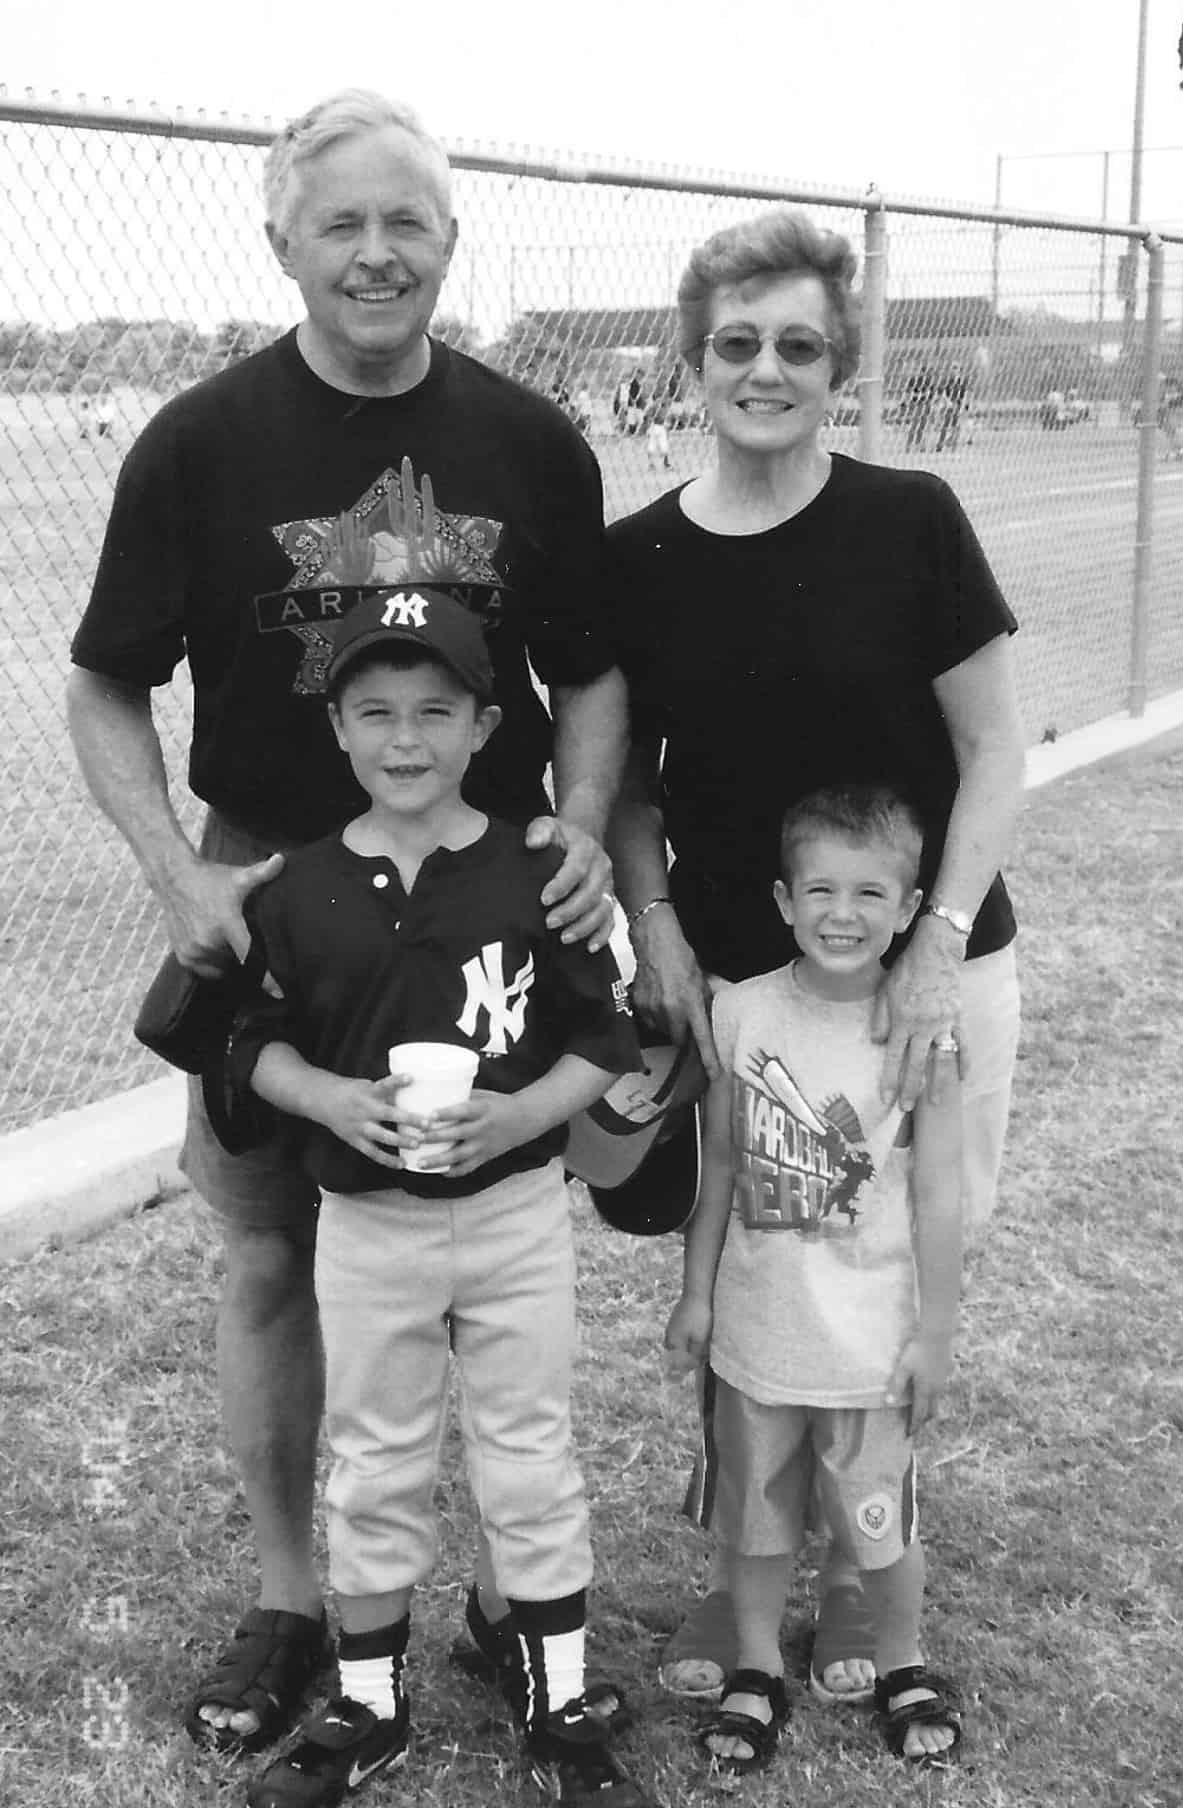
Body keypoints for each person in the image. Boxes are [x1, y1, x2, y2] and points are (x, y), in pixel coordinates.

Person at [66, 87, 627, 1756]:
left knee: (482, 1255)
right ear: (283, 242)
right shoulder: (199, 442)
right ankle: (297, 1598)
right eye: (343, 223)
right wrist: (178, 870)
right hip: (271, 890)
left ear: (448, 238)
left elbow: (590, 671)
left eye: (407, 222)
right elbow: (106, 681)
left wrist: (580, 832)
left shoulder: (535, 443)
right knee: (267, 1255)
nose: (376, 252)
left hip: (479, 901)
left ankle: (509, 1596)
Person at [606, 205, 1024, 1704]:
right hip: (742, 985)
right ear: (691, 360)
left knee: (886, 1261)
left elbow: (992, 753)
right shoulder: (639, 554)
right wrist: (653, 924)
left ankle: (863, 1584)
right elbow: (629, 786)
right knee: (756, 1271)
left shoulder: (910, 520)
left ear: (839, 364)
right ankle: (744, 1589)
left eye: (797, 344)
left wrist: (936, 943)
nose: (765, 369)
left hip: (922, 975)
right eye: (736, 344)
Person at [229, 590, 653, 1808]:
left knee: (528, 1449)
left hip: (516, 1212)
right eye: (375, 712)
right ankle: (368, 1701)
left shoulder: (535, 870)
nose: (404, 738)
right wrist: (326, 1097)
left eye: (434, 711)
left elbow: (603, 1036)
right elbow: (251, 1041)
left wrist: (521, 1115)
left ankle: (559, 1694)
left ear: (482, 726)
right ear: (339, 731)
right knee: (374, 1457)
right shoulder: (298, 884)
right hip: (368, 1221)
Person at [666, 785, 964, 1772]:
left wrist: (934, 1331)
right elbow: (716, 1172)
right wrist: (697, 1292)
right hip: (759, 1337)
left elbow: (937, 1200)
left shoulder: (921, 1031)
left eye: (871, 891)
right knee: (754, 1522)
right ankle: (756, 1665)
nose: (845, 912)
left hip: (869, 1347)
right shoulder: (742, 1011)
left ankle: (902, 1657)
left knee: (881, 1521)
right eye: (822, 889)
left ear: (912, 906)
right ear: (784, 900)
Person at [936, 362, 968, 452]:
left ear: (959, 370)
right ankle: (940, 444)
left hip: (958, 404)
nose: (954, 370)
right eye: (953, 368)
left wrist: (963, 405)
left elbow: (964, 393)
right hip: (949, 405)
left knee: (956, 426)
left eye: (956, 368)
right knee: (945, 425)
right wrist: (948, 402)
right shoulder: (947, 381)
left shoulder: (962, 381)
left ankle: (953, 445)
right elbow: (943, 393)